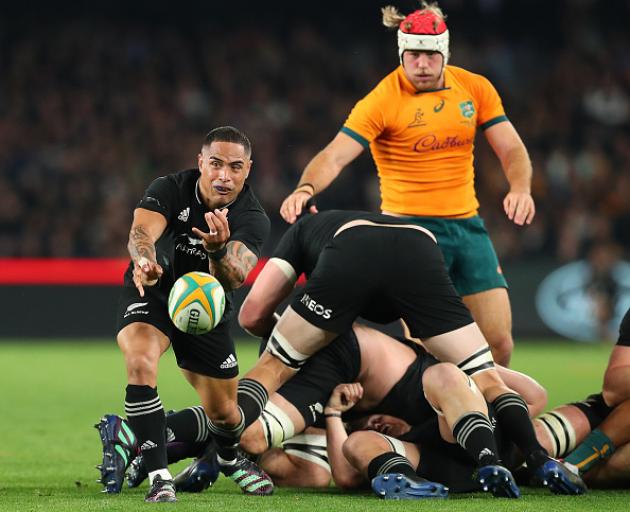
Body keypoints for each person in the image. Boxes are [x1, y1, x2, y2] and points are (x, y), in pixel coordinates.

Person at [230, 209, 582, 495]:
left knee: (269, 390)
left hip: (376, 379)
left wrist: (285, 352)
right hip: (415, 254)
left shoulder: (306, 232)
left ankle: (218, 445)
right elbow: (346, 477)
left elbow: (253, 314)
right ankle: (528, 458)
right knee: (468, 380)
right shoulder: (426, 380)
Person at [279, 2, 535, 367]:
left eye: (430, 55)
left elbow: (510, 147)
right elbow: (335, 155)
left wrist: (520, 187)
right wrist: (305, 188)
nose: (421, 64)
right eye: (412, 55)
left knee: (499, 344)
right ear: (402, 52)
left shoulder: (475, 89)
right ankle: (425, 423)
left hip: (467, 229)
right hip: (409, 233)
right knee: (428, 352)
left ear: (444, 53)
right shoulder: (383, 100)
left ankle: (491, 418)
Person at [94, 126, 272, 502]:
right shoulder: (170, 188)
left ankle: (226, 457)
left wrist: (219, 250)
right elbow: (140, 233)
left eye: (235, 167)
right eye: (216, 164)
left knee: (226, 414)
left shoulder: (252, 217)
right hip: (155, 288)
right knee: (141, 361)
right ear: (201, 163)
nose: (224, 175)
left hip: (206, 306)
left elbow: (236, 277)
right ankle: (161, 477)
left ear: (248, 169)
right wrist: (145, 261)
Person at [534, 307, 630, 486]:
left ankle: (568, 467)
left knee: (616, 465)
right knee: (534, 442)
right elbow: (613, 387)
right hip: (610, 408)